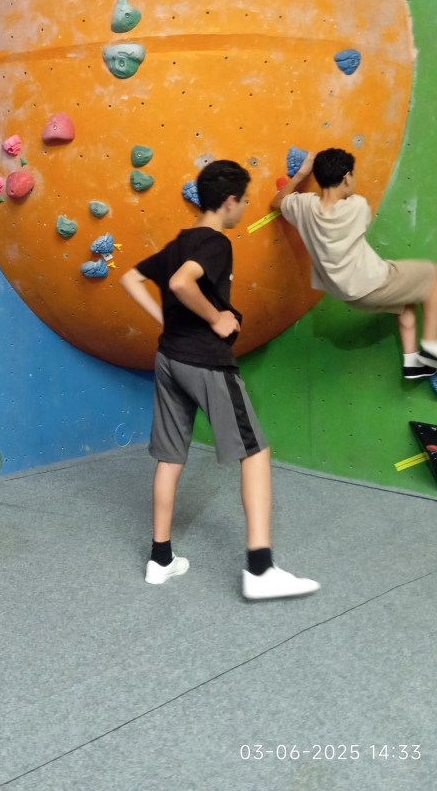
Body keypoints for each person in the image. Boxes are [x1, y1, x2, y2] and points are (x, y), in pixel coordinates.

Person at [120, 160, 320, 600]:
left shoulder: (180, 242)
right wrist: (216, 318)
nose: (245, 207)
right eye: (244, 200)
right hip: (204, 362)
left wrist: (164, 321)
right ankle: (260, 570)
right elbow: (181, 283)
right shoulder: (215, 242)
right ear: (229, 201)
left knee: (171, 457)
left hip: (169, 359)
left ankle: (160, 558)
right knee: (256, 452)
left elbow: (130, 278)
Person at [271, 147, 437, 380]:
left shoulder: (303, 206)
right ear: (347, 177)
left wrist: (300, 176)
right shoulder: (357, 206)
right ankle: (431, 350)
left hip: (347, 293)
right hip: (370, 282)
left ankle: (412, 362)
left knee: (405, 298)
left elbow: (277, 202)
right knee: (432, 274)